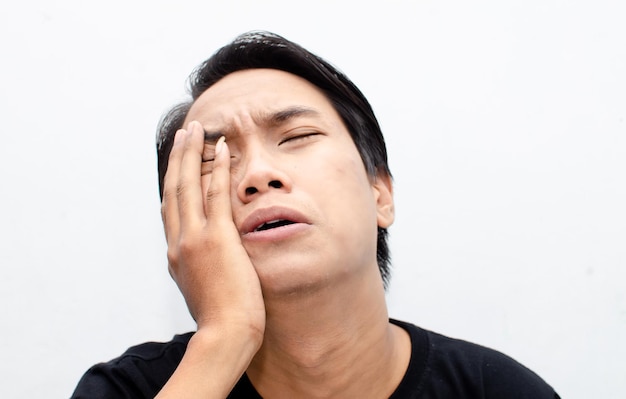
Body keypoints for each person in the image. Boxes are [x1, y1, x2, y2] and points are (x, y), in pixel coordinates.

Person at [71, 31, 560, 398]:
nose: (258, 175)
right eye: (213, 160)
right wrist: (224, 336)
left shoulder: (498, 390)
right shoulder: (130, 390)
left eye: (297, 137)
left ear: (381, 194)